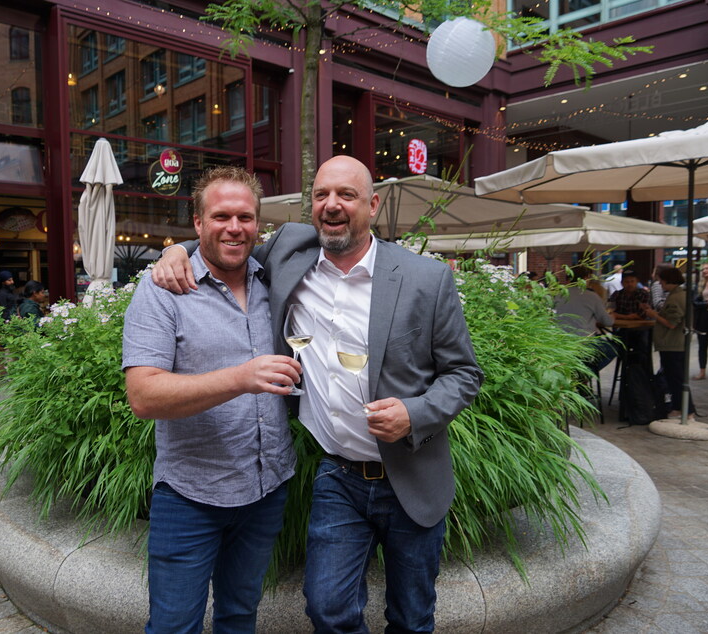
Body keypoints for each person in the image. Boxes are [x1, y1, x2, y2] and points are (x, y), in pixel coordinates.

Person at [152, 156, 484, 632]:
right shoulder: (290, 251)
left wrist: (415, 412)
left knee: (412, 618)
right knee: (327, 608)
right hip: (339, 476)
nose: (331, 205)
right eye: (321, 195)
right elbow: (227, 237)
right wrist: (176, 250)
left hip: (413, 474)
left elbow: (464, 373)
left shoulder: (425, 279)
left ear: (372, 204)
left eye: (346, 195)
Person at [122, 167, 299, 633]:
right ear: (197, 223)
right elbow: (142, 395)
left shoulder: (273, 280)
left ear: (259, 224)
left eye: (246, 217)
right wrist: (240, 378)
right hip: (190, 497)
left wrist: (175, 248)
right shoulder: (162, 289)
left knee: (240, 617)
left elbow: (316, 231)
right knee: (173, 626)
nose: (234, 227)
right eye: (220, 216)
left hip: (266, 489)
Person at [641, 267, 695, 420]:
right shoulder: (679, 295)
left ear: (666, 280)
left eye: (661, 281)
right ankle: (679, 408)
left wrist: (653, 315)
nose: (660, 284)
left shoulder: (676, 298)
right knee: (673, 377)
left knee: (675, 377)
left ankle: (686, 410)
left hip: (673, 343)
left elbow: (671, 323)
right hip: (675, 343)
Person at [554, 266, 617, 372]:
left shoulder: (557, 295)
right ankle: (586, 373)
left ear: (567, 279)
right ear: (586, 278)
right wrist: (613, 316)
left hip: (559, 342)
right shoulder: (591, 296)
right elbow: (607, 321)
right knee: (612, 349)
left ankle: (577, 373)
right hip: (584, 342)